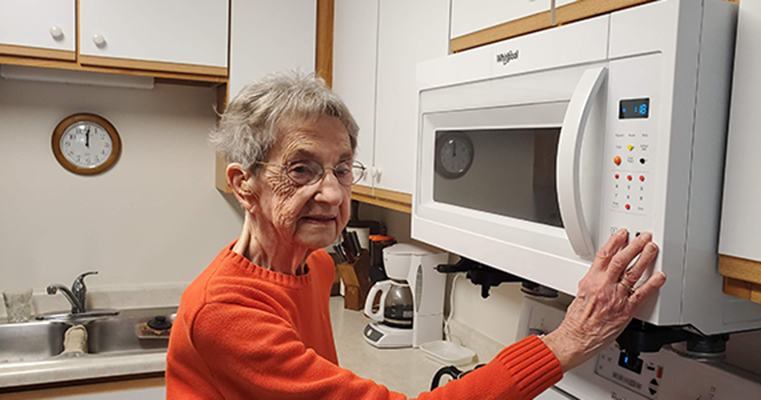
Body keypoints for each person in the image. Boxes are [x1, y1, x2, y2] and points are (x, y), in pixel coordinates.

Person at [165, 72, 667, 399]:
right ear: (243, 184)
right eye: (301, 169)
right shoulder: (225, 312)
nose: (334, 194)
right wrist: (565, 341)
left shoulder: (313, 266)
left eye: (342, 169)